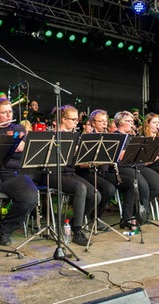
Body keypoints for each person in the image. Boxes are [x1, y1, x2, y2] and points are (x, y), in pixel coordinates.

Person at [0, 98, 38, 246]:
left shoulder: (17, 129)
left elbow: (19, 147)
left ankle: (5, 229)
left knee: (31, 197)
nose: (9, 115)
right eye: (4, 112)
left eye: (10, 112)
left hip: (12, 173)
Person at [45, 105, 99, 245]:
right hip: (52, 173)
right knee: (80, 188)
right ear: (63, 119)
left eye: (77, 120)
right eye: (73, 120)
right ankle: (77, 230)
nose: (76, 123)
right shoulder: (51, 135)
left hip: (70, 172)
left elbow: (79, 163)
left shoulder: (76, 137)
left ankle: (75, 221)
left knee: (95, 195)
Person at [114, 111, 159, 225]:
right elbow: (120, 156)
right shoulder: (116, 136)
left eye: (132, 121)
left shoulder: (132, 136)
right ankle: (141, 215)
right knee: (143, 186)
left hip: (137, 165)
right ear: (120, 122)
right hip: (124, 167)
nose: (132, 123)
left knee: (157, 183)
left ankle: (139, 209)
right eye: (128, 121)